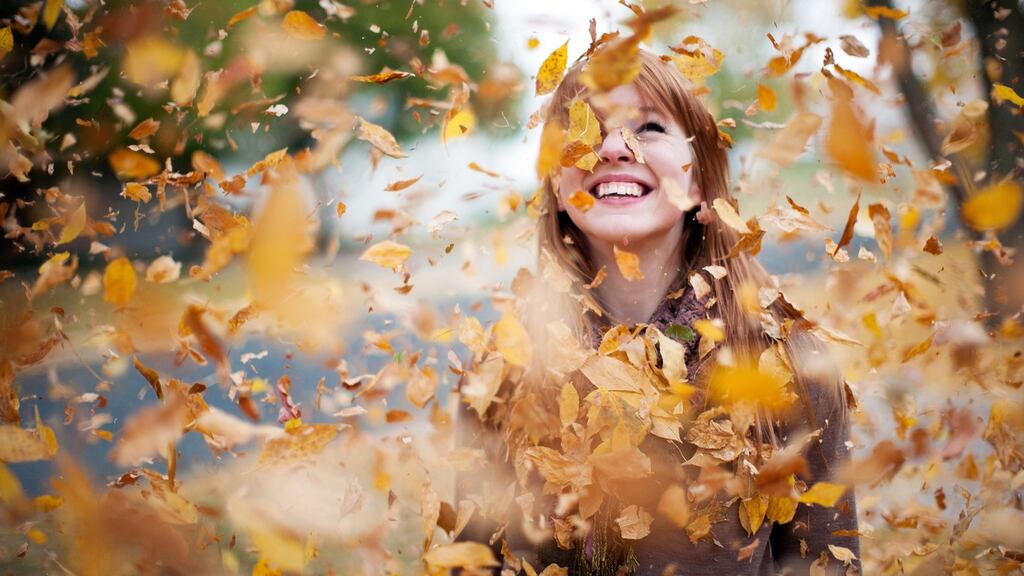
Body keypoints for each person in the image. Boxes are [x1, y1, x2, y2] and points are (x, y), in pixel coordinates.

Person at [456, 48, 860, 576]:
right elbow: (469, 561)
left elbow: (827, 563)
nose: (615, 147)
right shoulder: (502, 369)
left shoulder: (789, 364)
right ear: (558, 185)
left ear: (697, 182)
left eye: (648, 127)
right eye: (585, 127)